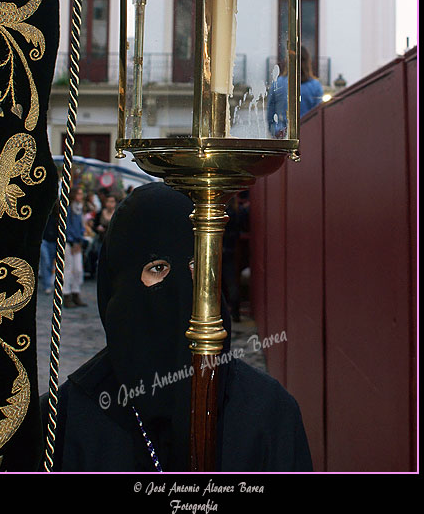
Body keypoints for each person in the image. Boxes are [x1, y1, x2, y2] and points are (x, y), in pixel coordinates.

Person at [40, 182, 313, 472]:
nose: (183, 290)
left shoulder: (269, 412)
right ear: (120, 282)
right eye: (158, 268)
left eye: (196, 265)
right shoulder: (63, 420)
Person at [267, 46, 324, 137]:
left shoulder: (278, 83)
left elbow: (270, 114)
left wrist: (276, 131)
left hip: (283, 135)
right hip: (308, 135)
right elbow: (318, 116)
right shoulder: (315, 86)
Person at [64, 186, 87, 308]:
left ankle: (75, 292)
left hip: (77, 242)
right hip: (69, 243)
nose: (81, 196)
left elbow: (80, 226)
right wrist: (72, 241)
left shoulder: (79, 209)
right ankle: (66, 294)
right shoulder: (69, 209)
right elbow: (67, 226)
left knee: (78, 269)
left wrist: (80, 239)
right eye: (79, 194)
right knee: (69, 269)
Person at [39, 199, 59, 294]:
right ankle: (46, 284)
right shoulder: (43, 213)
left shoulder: (57, 214)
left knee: (51, 262)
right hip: (44, 239)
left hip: (53, 240)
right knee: (46, 261)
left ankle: (48, 281)